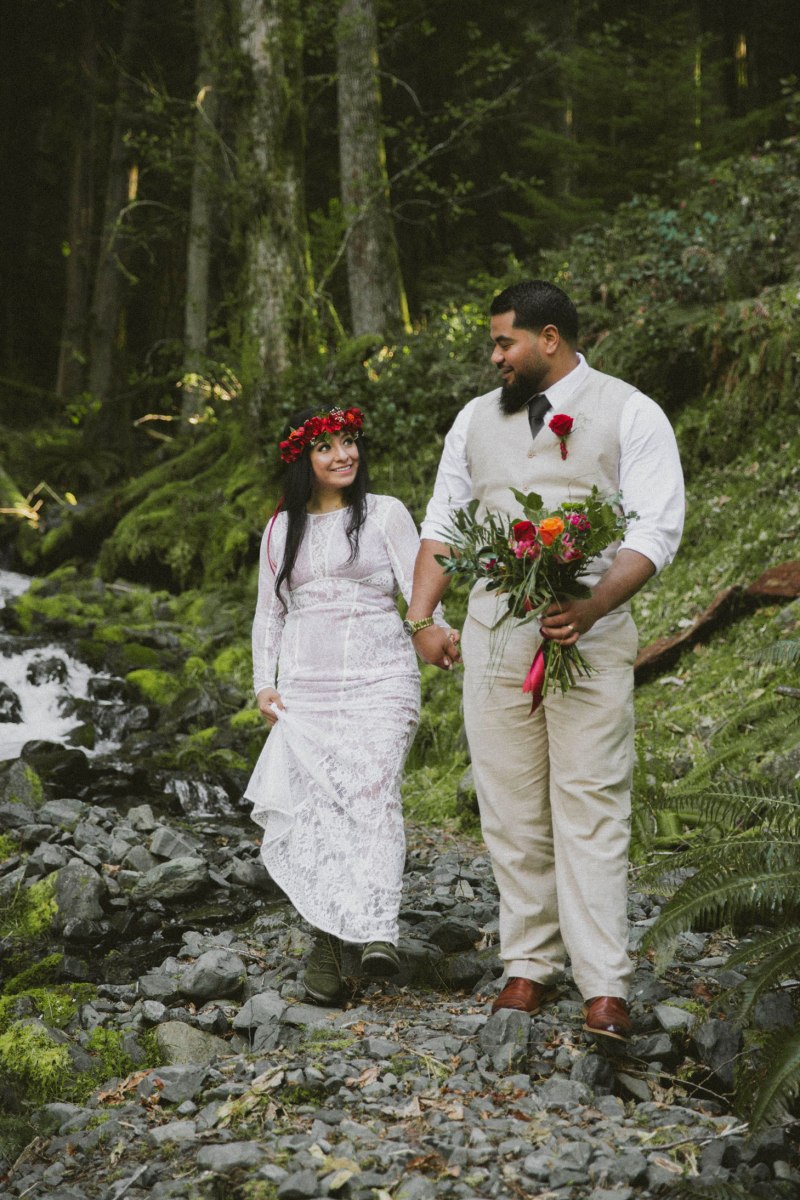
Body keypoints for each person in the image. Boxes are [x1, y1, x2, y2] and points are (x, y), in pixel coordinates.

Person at [405, 280, 684, 1040]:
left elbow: (656, 530)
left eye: (505, 343)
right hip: (496, 631)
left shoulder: (631, 410)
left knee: (591, 799)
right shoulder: (471, 421)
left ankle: (605, 984)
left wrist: (593, 606)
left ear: (550, 338)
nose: (494, 356)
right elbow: (443, 523)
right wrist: (421, 615)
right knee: (510, 802)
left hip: (590, 631)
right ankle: (528, 963)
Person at [245, 404, 451, 1006]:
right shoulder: (282, 530)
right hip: (307, 688)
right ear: (303, 459)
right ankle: (329, 945)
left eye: (350, 442)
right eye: (327, 447)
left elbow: (421, 590)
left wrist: (437, 633)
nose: (344, 455)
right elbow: (270, 612)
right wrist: (265, 682)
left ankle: (379, 927)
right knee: (318, 807)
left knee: (372, 789)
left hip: (382, 678)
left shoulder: (385, 514)